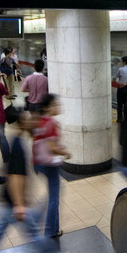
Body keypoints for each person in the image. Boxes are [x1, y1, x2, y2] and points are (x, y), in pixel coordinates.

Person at [0, 111, 70, 253]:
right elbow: (15, 176)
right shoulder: (19, 145)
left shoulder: (18, 140)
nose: (33, 121)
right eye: (28, 119)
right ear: (21, 123)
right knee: (33, 233)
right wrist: (19, 204)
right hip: (13, 201)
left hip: (9, 199)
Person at [33, 94, 71, 238]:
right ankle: (49, 230)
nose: (58, 107)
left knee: (51, 195)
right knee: (54, 198)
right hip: (49, 164)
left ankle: (50, 227)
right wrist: (66, 153)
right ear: (48, 108)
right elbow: (52, 147)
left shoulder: (40, 122)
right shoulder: (51, 123)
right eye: (55, 105)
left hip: (39, 163)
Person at [114, 56, 127, 123]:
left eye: (122, 61)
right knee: (126, 104)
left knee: (119, 104)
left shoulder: (120, 69)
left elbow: (115, 78)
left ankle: (119, 119)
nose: (121, 63)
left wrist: (117, 81)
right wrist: (126, 84)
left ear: (124, 62)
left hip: (120, 88)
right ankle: (126, 119)